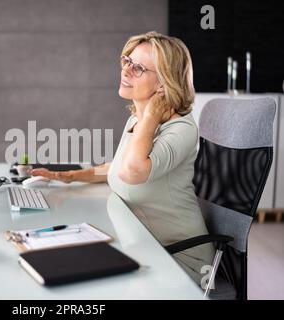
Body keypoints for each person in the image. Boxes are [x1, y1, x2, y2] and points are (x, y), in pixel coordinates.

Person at [30, 31, 214, 285]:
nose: (125, 71)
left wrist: (150, 117)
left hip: (179, 263)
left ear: (163, 83)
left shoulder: (181, 128)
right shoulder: (136, 121)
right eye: (127, 61)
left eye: (138, 67)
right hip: (143, 245)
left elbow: (132, 172)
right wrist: (66, 176)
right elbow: (117, 167)